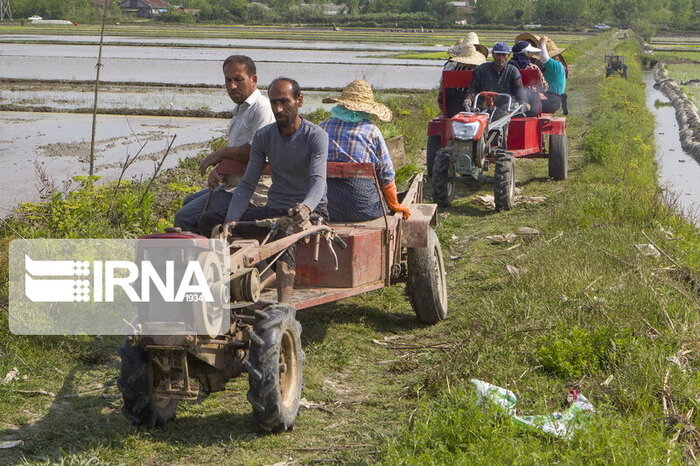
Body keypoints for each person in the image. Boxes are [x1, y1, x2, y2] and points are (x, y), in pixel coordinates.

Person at [199, 77, 328, 303]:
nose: (278, 109)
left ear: (299, 101)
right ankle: (221, 281)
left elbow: (318, 180)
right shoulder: (264, 136)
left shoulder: (315, 136)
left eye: (284, 102)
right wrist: (231, 219)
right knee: (210, 221)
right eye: (274, 102)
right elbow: (248, 183)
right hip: (274, 209)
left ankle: (283, 305)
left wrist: (307, 207)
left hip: (310, 211)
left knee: (285, 234)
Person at [173, 55, 275, 233]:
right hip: (233, 185)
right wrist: (221, 169)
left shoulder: (262, 108)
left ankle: (202, 258)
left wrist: (221, 153)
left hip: (252, 192)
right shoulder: (241, 110)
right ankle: (208, 245)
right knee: (188, 202)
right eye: (228, 80)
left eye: (238, 79)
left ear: (254, 79)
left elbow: (256, 152)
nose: (232, 86)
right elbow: (239, 154)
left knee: (184, 217)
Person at [319, 79, 410, 222]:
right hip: (363, 208)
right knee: (382, 203)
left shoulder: (321, 128)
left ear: (342, 104)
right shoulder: (372, 131)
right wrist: (394, 204)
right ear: (366, 109)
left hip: (327, 206)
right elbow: (386, 175)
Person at [464, 42, 530, 115]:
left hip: (505, 108)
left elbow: (519, 90)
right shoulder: (481, 69)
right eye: (498, 54)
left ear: (508, 56)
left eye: (503, 55)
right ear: (493, 55)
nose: (500, 57)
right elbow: (473, 88)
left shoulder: (513, 71)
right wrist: (469, 98)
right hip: (483, 107)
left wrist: (524, 102)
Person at [438, 42, 486, 118]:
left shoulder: (451, 70)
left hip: (451, 109)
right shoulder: (479, 72)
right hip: (474, 109)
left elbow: (441, 97)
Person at [509, 40, 548, 115]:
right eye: (530, 53)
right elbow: (544, 88)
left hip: (510, 104)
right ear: (526, 53)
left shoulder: (508, 67)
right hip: (532, 106)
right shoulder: (533, 67)